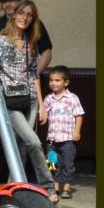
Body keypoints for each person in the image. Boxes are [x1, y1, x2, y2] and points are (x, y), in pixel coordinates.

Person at [0, 0, 54, 184]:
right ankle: (3, 175)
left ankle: (19, 182)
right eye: (4, 1)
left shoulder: (33, 32)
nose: (8, 4)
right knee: (7, 137)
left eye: (12, 0)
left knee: (25, 141)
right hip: (7, 96)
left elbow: (46, 52)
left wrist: (32, 76)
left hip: (29, 94)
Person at [42, 65, 84, 199]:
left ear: (66, 82)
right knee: (53, 164)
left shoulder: (72, 98)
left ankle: (66, 188)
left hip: (67, 140)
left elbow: (79, 115)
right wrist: (43, 116)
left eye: (57, 80)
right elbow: (44, 113)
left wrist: (77, 132)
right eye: (51, 80)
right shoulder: (48, 99)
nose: (53, 83)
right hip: (52, 140)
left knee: (67, 165)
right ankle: (55, 188)